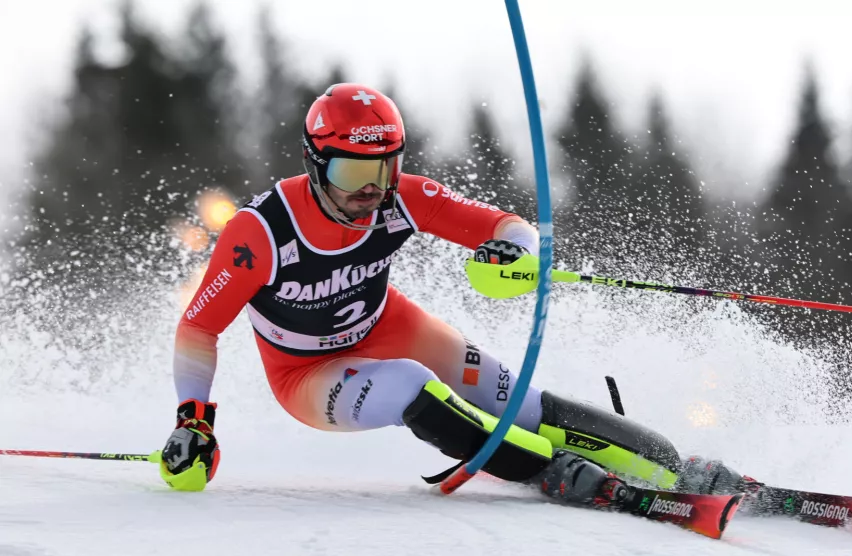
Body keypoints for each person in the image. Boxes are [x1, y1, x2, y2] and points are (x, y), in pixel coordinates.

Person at [160, 83, 748, 505]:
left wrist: (517, 253)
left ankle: (676, 469)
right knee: (413, 387)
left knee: (519, 402)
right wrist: (195, 421)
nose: (371, 192)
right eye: (352, 175)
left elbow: (509, 226)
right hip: (306, 373)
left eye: (385, 171)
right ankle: (556, 475)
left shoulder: (401, 198)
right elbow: (198, 327)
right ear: (316, 164)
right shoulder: (259, 232)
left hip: (388, 324)